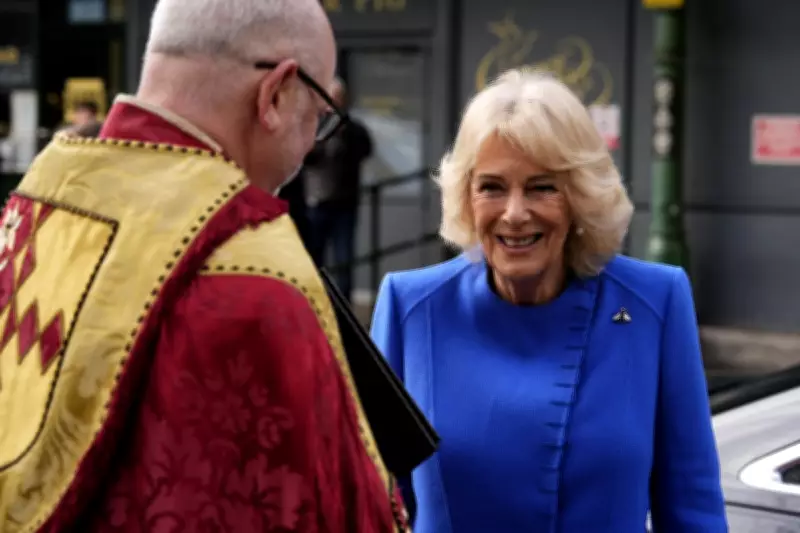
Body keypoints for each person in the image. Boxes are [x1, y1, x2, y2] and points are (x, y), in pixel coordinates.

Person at [0, 0, 408, 531]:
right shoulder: (255, 274)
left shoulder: (39, 209)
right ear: (277, 94)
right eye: (317, 117)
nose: (311, 145)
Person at [371, 69, 728, 533]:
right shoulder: (411, 308)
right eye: (492, 187)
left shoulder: (654, 302)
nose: (515, 214)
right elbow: (370, 507)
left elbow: (693, 510)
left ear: (579, 195)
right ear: (466, 195)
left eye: (542, 187)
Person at [304, 78, 372, 301]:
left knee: (345, 260)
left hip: (345, 202)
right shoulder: (314, 125)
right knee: (315, 259)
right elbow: (306, 158)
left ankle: (344, 307)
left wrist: (344, 130)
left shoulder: (353, 128)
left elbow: (365, 150)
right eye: (331, 98)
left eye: (339, 98)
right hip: (317, 202)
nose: (335, 103)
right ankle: (317, 304)